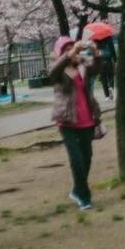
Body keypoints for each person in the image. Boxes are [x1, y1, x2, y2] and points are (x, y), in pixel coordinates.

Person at [47, 34, 104, 211]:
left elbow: (97, 69)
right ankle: (84, 197)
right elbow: (51, 74)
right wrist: (69, 54)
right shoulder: (59, 70)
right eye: (66, 49)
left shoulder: (83, 66)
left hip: (87, 119)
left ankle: (77, 190)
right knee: (76, 159)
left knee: (87, 157)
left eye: (72, 48)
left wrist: (96, 52)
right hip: (66, 120)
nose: (72, 52)